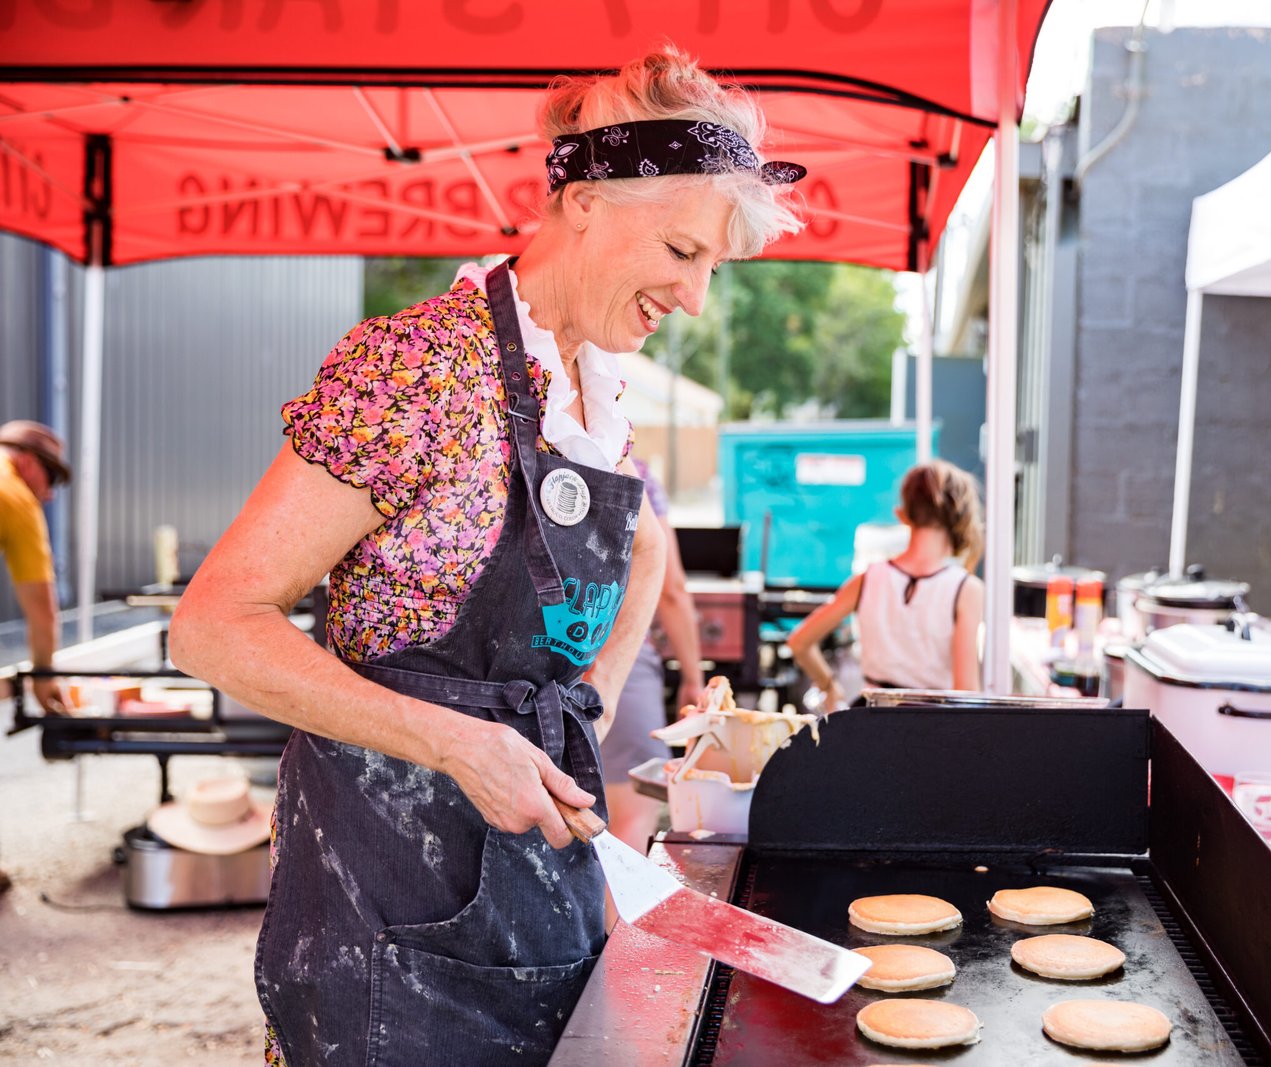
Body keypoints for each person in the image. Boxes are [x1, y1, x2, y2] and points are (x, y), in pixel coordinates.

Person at [168, 46, 803, 1067]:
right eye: (682, 250)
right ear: (585, 202)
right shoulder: (414, 370)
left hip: (541, 899)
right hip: (385, 920)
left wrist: (587, 703)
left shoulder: (595, 390)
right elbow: (212, 625)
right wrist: (461, 743)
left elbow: (646, 546)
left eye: (712, 269)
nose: (694, 298)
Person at [788, 460, 985, 708]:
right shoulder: (965, 588)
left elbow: (799, 641)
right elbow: (966, 692)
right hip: (932, 720)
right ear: (960, 518)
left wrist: (830, 687)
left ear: (902, 515)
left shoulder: (869, 577)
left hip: (871, 716)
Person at [598, 459, 703, 865]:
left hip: (524, 660)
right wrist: (692, 678)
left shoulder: (508, 445)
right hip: (616, 654)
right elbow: (670, 588)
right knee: (632, 816)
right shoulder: (630, 467)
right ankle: (616, 914)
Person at [0, 420, 70, 717]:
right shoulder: (15, 494)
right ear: (27, 462)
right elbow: (42, 610)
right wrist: (43, 675)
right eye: (50, 478)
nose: (50, 494)